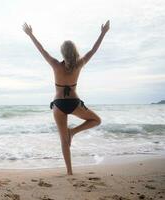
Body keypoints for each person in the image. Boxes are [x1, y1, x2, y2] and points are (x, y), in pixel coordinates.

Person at [22, 20, 110, 175]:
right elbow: (93, 50)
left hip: (59, 105)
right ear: (74, 51)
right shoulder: (80, 64)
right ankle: (74, 131)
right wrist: (103, 32)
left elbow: (41, 50)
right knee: (97, 120)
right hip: (75, 103)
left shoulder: (55, 64)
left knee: (64, 140)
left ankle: (70, 172)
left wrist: (30, 35)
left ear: (63, 52)